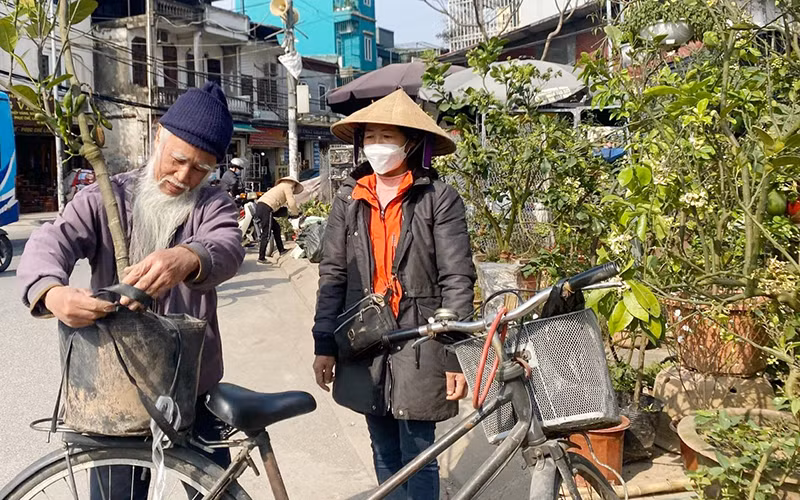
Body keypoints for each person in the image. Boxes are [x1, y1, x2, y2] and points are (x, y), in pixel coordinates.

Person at [17, 81, 245, 499]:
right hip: (115, 390)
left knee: (216, 493)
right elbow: (51, 240)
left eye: (200, 168)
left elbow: (228, 246)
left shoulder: (212, 206)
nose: (183, 176)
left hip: (191, 389)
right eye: (177, 160)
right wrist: (52, 293)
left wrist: (187, 258)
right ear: (158, 134)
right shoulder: (106, 197)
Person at [312, 89, 476, 499]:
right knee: (382, 441)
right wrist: (323, 343)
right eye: (370, 136)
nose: (377, 145)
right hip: (363, 335)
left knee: (420, 449)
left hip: (422, 336)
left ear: (411, 143)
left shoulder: (439, 199)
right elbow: (332, 274)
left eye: (387, 136)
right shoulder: (348, 199)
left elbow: (457, 276)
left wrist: (456, 352)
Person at [255, 176, 303, 262]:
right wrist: (296, 214)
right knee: (267, 233)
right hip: (266, 208)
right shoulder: (288, 187)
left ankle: (281, 250)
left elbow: (286, 203)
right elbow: (291, 202)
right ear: (294, 184)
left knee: (277, 228)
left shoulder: (281, 186)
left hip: (262, 206)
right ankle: (261, 257)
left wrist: (290, 212)